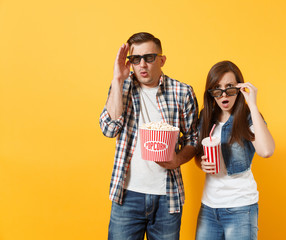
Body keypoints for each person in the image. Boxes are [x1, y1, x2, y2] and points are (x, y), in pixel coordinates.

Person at [99, 32, 199, 240]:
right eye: (136, 59)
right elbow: (109, 129)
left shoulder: (182, 92)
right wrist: (118, 80)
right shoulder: (122, 88)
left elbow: (193, 139)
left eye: (149, 57)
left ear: (162, 60)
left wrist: (177, 160)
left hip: (167, 197)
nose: (142, 64)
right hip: (126, 195)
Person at [195, 61, 275, 240]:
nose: (224, 95)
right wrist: (202, 163)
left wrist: (253, 105)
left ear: (240, 88)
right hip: (209, 207)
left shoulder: (247, 118)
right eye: (217, 89)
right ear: (211, 92)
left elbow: (266, 151)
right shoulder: (206, 117)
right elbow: (199, 155)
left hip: (241, 208)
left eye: (230, 88)